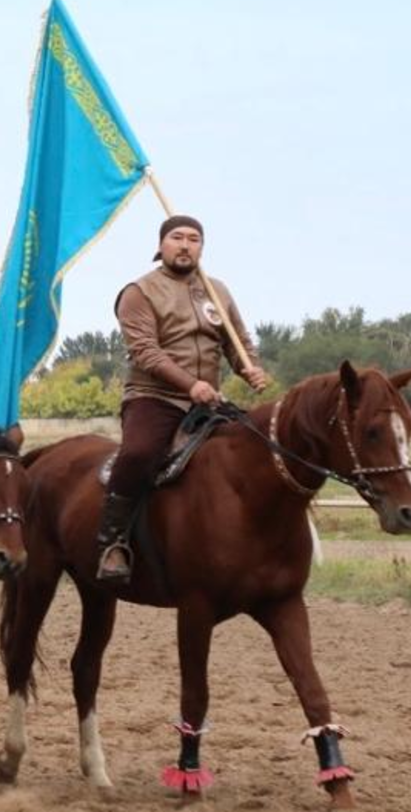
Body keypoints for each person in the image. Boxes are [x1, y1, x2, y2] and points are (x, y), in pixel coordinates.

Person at [97, 215, 268, 583]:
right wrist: (190, 384)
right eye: (177, 237)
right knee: (139, 453)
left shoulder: (217, 291)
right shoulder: (138, 292)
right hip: (155, 397)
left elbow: (238, 340)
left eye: (195, 239)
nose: (186, 245)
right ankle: (113, 541)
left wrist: (250, 367)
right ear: (160, 246)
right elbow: (145, 351)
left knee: (257, 446)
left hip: (208, 402)